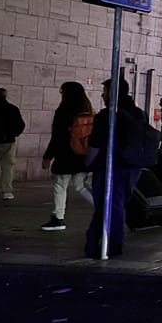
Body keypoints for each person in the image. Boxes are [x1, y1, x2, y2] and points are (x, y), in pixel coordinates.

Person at [82, 78, 146, 259]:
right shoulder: (138, 113)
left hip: (111, 167)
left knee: (107, 205)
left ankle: (107, 243)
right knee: (114, 205)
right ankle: (102, 242)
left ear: (113, 93)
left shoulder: (107, 115)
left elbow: (95, 144)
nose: (102, 95)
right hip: (132, 167)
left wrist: (87, 163)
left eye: (105, 91)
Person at [40, 82, 95, 231]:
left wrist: (48, 156)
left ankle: (58, 218)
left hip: (65, 154)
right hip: (82, 155)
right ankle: (103, 209)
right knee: (80, 186)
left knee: (60, 186)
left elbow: (57, 137)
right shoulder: (88, 110)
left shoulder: (63, 111)